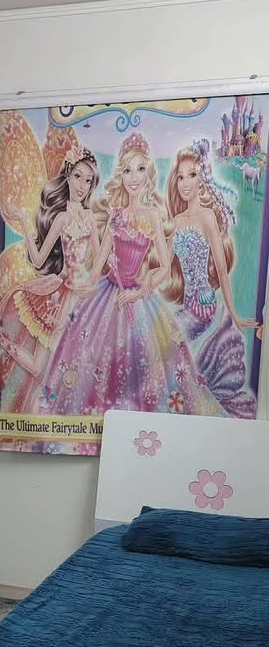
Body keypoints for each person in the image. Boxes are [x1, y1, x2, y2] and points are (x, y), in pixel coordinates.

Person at [43, 131, 224, 434]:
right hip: (106, 295)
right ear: (121, 175)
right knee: (89, 360)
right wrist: (79, 290)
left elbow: (164, 266)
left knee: (146, 365)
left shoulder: (152, 215)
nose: (134, 177)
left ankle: (139, 431)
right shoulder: (115, 215)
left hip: (138, 299)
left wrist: (141, 291)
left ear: (148, 173)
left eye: (140, 169)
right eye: (127, 170)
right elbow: (98, 265)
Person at [0, 146, 100, 414]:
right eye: (77, 177)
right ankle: (3, 338)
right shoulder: (62, 218)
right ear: (68, 177)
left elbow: (100, 259)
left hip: (83, 301)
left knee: (75, 368)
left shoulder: (90, 218)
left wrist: (92, 284)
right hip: (60, 298)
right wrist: (24, 222)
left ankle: (62, 413)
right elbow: (39, 259)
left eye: (88, 180)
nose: (82, 185)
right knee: (41, 367)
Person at [165, 139, 257, 417]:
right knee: (161, 336)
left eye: (192, 175)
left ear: (202, 179)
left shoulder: (207, 217)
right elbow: (164, 267)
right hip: (186, 305)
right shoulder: (176, 221)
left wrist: (234, 313)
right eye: (180, 177)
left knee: (169, 342)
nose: (185, 183)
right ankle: (182, 403)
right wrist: (140, 291)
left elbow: (222, 269)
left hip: (203, 304)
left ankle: (192, 403)